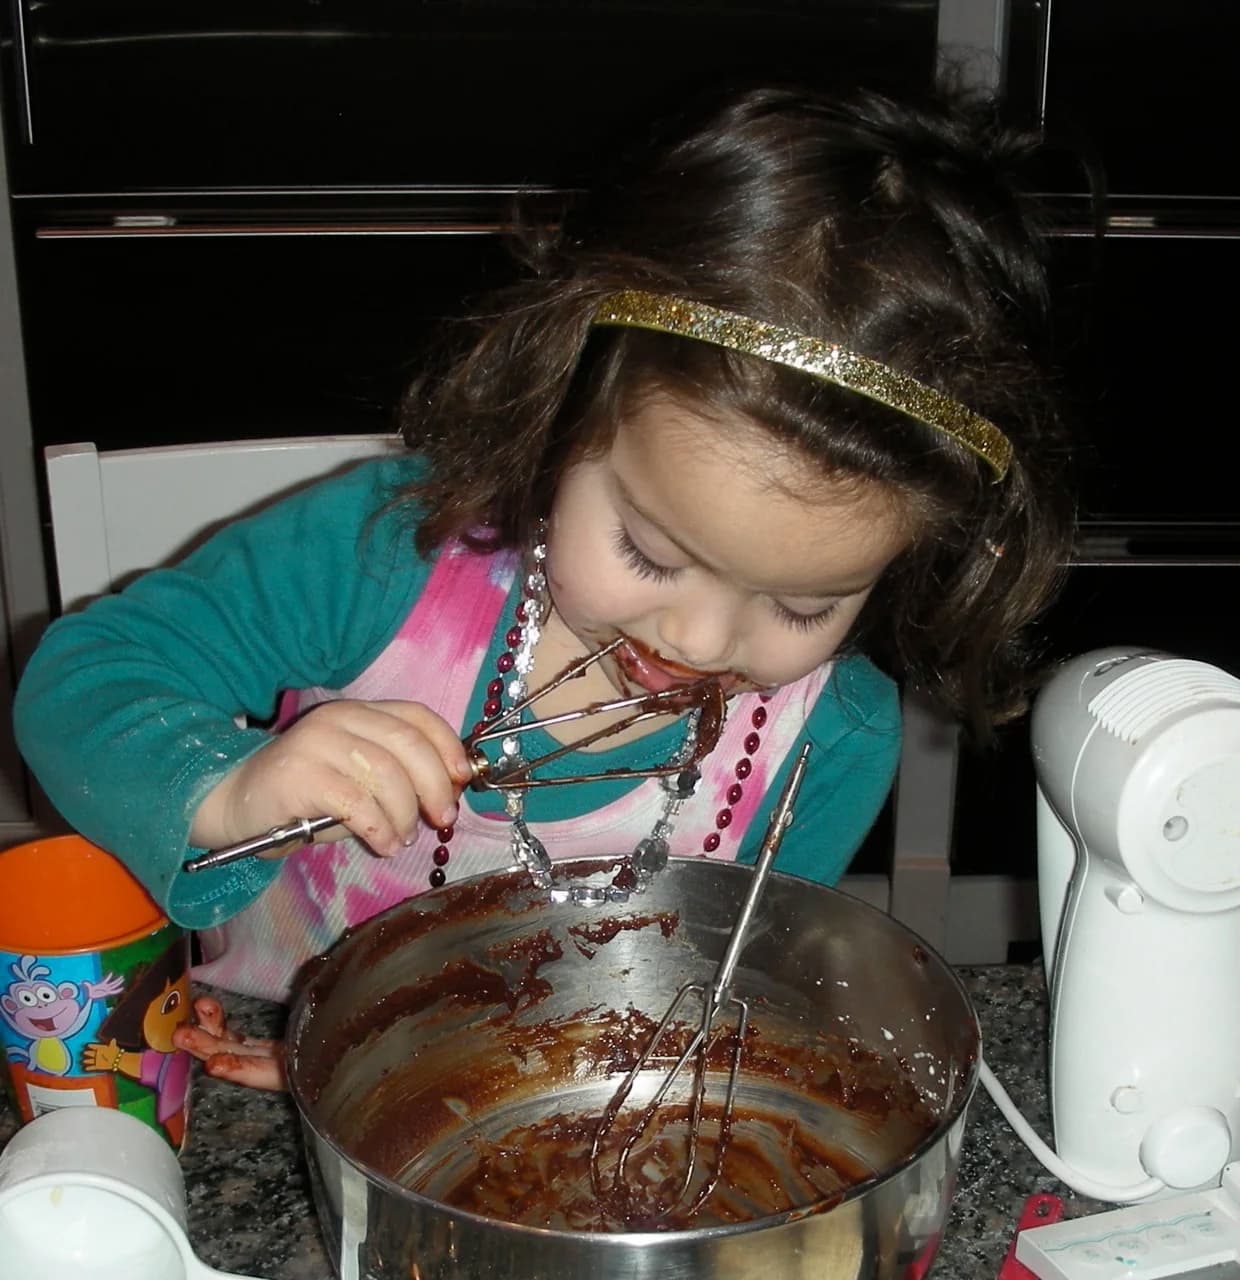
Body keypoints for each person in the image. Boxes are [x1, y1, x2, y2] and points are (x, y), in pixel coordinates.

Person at [13, 81, 1076, 1091]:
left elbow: (709, 986)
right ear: (562, 415)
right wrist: (230, 790)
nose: (703, 639)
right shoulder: (387, 551)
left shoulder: (830, 739)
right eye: (651, 552)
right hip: (237, 1032)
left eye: (805, 605)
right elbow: (78, 682)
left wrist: (426, 1071)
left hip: (537, 1079)